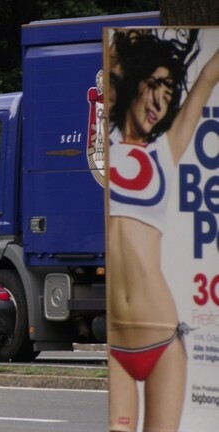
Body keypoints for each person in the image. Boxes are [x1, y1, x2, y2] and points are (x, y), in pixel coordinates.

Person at [107, 29, 219, 432]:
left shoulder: (165, 152)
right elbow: (109, 60)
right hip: (116, 344)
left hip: (164, 341)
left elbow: (207, 77)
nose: (159, 101)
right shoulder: (106, 147)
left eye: (170, 94)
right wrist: (121, 44)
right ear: (135, 80)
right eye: (155, 86)